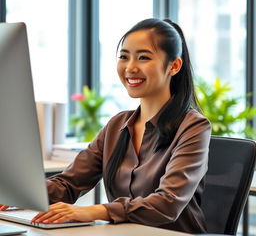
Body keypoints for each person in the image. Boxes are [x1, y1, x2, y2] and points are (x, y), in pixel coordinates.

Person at [0, 18, 211, 234]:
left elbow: (168, 204)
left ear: (174, 66)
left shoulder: (193, 126)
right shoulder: (117, 125)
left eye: (144, 57)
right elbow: (69, 183)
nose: (130, 67)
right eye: (124, 57)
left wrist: (94, 211)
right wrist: (16, 194)